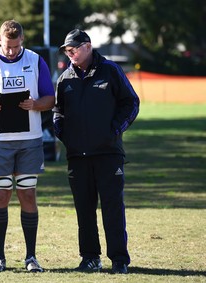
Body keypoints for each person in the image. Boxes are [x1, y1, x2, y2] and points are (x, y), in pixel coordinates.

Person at [0, 19, 55, 273]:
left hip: (30, 140)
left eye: (16, 46)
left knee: (28, 194)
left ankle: (31, 257)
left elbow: (50, 99)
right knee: (1, 194)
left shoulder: (35, 60)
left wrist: (35, 105)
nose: (11, 51)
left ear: (22, 42)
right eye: (7, 46)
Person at [53, 29, 139, 274]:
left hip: (108, 154)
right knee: (84, 209)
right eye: (67, 51)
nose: (70, 54)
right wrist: (65, 135)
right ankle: (90, 257)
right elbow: (57, 112)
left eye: (74, 49)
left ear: (88, 46)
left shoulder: (111, 71)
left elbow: (131, 102)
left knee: (112, 208)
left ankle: (119, 259)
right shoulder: (65, 78)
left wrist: (114, 130)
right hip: (77, 157)